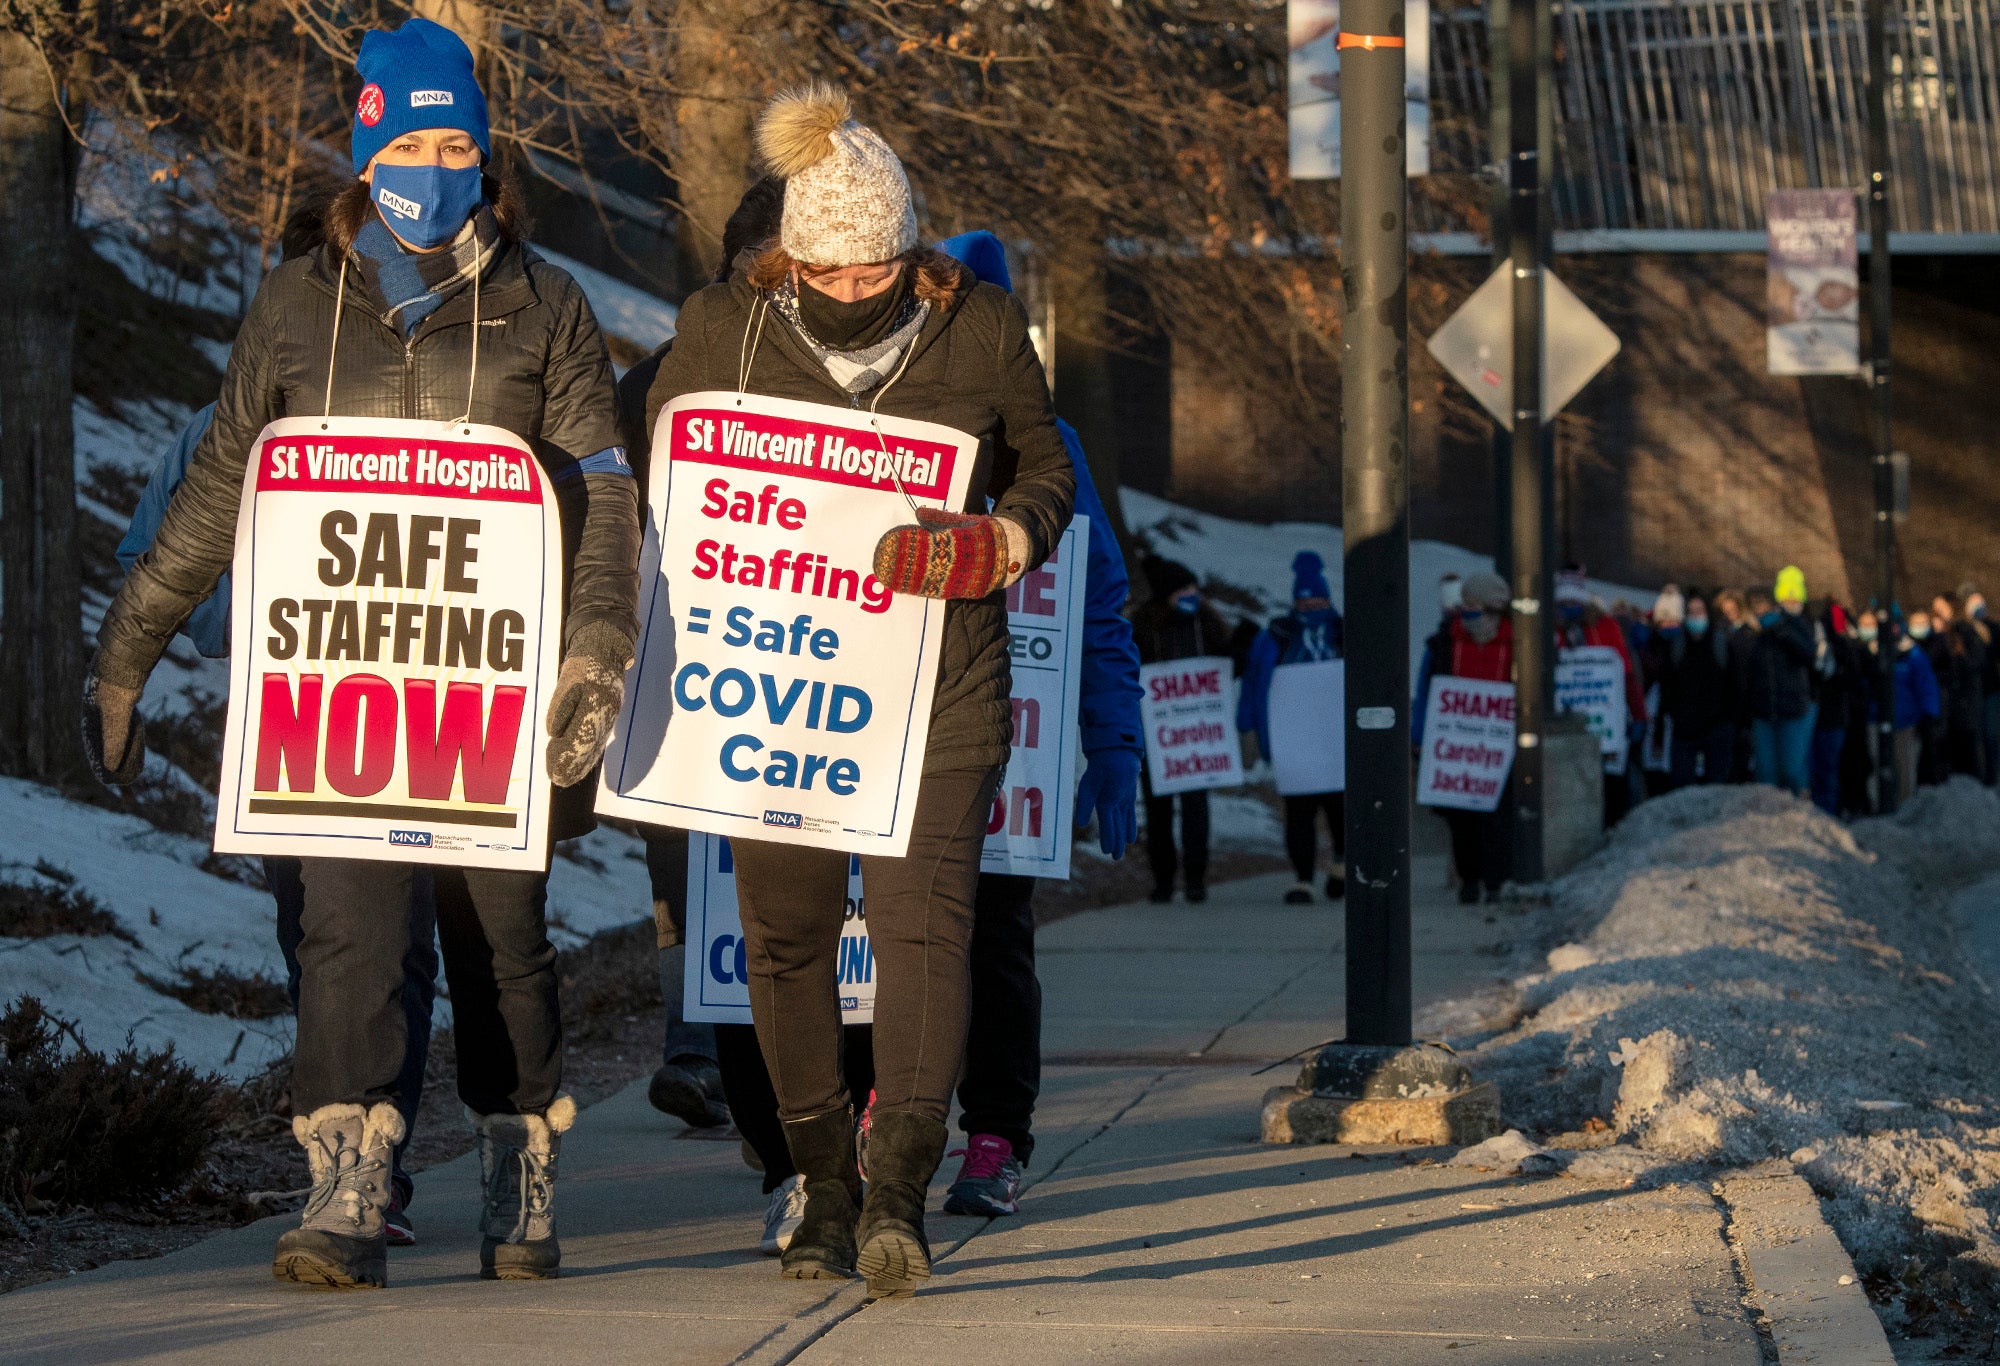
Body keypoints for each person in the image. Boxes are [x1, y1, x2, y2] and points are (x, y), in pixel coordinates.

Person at [83, 17, 641, 1289]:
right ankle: (345, 1177)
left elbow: (603, 489)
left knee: (500, 935)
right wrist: (129, 649)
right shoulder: (293, 303)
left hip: (498, 690)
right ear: (369, 142)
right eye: (417, 138)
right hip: (342, 692)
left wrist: (596, 644)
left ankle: (518, 1160)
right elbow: (226, 479)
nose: (439, 165)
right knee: (344, 927)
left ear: (485, 153)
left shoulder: (546, 305)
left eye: (462, 142)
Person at [643, 86, 1074, 1297]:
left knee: (922, 932)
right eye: (827, 271)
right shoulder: (723, 324)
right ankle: (819, 1186)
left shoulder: (979, 325)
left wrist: (1001, 540)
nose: (853, 289)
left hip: (940, 686)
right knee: (780, 937)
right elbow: (668, 463)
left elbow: (1046, 466)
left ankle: (898, 1192)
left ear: (911, 249)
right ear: (790, 256)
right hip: (773, 689)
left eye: (875, 266)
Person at [114, 206, 442, 1251]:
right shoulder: (222, 429)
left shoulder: (428, 423)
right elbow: (153, 557)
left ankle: (373, 1162)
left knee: (395, 938)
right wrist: (236, 616)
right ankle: (343, 1131)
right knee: (314, 928)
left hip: (417, 720)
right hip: (287, 720)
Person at [933, 229, 1143, 1221]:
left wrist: (1113, 745)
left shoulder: (1054, 451)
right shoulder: (879, 421)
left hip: (1005, 737)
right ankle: (883, 1112)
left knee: (992, 939)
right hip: (884, 737)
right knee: (880, 938)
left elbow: (1096, 607)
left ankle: (993, 1132)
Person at [1238, 551, 1346, 905]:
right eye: (1305, 600)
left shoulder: (1344, 632)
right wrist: (1248, 723)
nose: (1312, 607)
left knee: (1340, 810)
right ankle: (1303, 878)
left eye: (1318, 600)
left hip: (1336, 741)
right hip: (1293, 741)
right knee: (1299, 814)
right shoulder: (1275, 637)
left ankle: (1342, 867)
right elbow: (1255, 683)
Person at [1131, 555, 1232, 904]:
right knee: (1158, 813)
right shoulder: (1142, 627)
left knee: (1195, 809)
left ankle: (1195, 878)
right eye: (1185, 589)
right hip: (1156, 734)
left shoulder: (1208, 623)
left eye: (1194, 588)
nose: (1193, 594)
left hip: (1197, 735)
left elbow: (1225, 665)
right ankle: (1162, 880)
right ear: (1166, 594)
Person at [1414, 572, 1514, 902]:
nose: (1465, 611)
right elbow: (1427, 689)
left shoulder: (1517, 645)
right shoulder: (1444, 642)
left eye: (1472, 606)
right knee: (1461, 819)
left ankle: (1495, 882)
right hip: (1456, 748)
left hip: (1498, 747)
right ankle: (1469, 879)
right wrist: (1419, 734)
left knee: (1496, 818)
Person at [1553, 568, 1647, 825]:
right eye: (1563, 603)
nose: (1569, 607)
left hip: (1606, 725)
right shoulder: (1549, 630)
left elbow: (1625, 673)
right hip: (1567, 727)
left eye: (1573, 602)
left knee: (1613, 790)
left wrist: (1638, 714)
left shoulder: (1605, 627)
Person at [1747, 567, 1822, 796]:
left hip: (1793, 709)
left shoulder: (1796, 624)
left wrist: (1781, 630)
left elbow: (1807, 654)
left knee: (1792, 770)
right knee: (1767, 774)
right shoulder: (1753, 632)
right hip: (1764, 710)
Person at [1653, 588, 1737, 789]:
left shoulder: (1721, 644)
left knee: (1715, 790)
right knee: (1682, 790)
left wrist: (1730, 723)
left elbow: (1734, 686)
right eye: (1691, 612)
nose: (1696, 617)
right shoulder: (1676, 647)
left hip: (1717, 730)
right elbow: (1667, 688)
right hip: (1684, 732)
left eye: (1700, 611)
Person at [1809, 602, 1865, 817]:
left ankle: (1829, 813)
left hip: (1832, 717)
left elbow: (1851, 678)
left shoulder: (1843, 648)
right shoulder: (1837, 647)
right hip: (1828, 716)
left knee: (1827, 770)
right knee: (1824, 771)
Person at [1931, 592, 1990, 780]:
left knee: (1968, 750)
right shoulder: (1940, 636)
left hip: (1965, 704)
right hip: (1950, 706)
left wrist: (1959, 656)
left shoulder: (1965, 632)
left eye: (1940, 609)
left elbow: (1975, 664)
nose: (1936, 614)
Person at [1884, 613, 1941, 804]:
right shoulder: (1876, 652)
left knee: (1905, 768)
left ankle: (1905, 806)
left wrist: (1929, 713)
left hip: (1906, 721)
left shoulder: (1913, 655)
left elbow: (1926, 687)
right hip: (1877, 719)